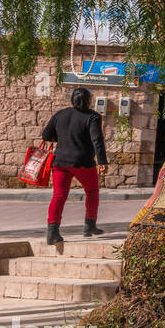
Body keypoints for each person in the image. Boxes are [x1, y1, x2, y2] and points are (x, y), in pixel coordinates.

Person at [42, 87, 108, 244]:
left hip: (60, 162)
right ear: (88, 101)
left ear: (72, 100)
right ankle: (89, 226)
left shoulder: (60, 114)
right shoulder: (93, 117)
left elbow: (46, 135)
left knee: (59, 195)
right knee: (92, 191)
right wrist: (102, 161)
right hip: (82, 162)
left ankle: (52, 233)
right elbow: (96, 140)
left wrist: (65, 138)